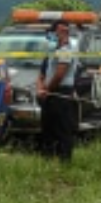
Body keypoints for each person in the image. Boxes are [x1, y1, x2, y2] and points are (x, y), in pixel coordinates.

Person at [37, 21, 80, 161]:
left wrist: (47, 90)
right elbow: (42, 72)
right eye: (55, 31)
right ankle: (48, 158)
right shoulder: (52, 50)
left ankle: (64, 161)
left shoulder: (66, 50)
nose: (56, 34)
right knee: (47, 127)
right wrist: (40, 88)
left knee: (63, 129)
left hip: (61, 92)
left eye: (61, 31)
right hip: (49, 93)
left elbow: (60, 74)